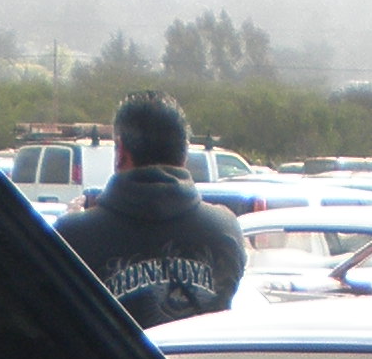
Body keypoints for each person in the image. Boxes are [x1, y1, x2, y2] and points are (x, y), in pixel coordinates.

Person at [51, 92, 245, 326]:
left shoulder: (72, 236)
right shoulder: (224, 229)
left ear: (121, 151)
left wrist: (68, 226)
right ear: (184, 153)